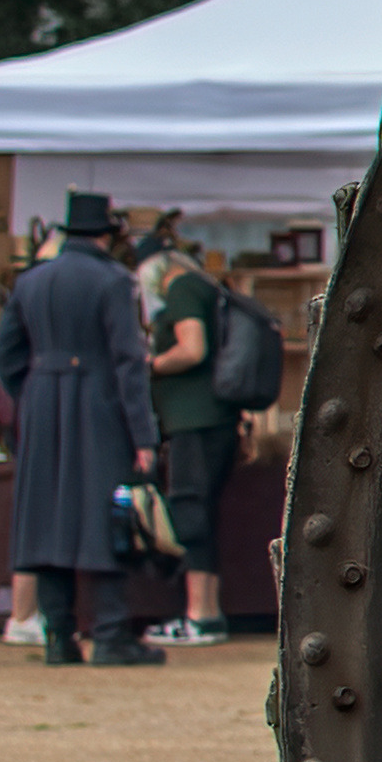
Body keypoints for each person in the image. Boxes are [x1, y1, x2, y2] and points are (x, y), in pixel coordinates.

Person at [0, 190, 159, 670]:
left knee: (46, 519)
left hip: (42, 401)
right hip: (98, 403)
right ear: (106, 235)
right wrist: (143, 435)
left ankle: (58, 635)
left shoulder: (31, 281)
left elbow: (6, 356)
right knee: (103, 514)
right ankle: (109, 633)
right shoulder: (114, 281)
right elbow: (128, 361)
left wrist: (33, 392)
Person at [142, 227, 236, 646]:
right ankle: (207, 613)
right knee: (201, 513)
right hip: (211, 419)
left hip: (193, 421)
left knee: (190, 511)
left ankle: (200, 615)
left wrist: (150, 364)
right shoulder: (207, 288)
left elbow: (192, 348)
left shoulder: (181, 288)